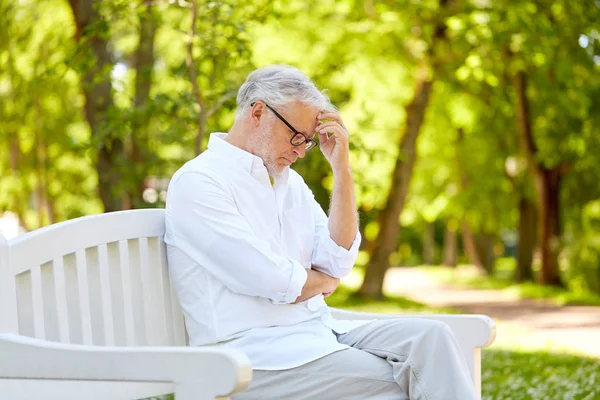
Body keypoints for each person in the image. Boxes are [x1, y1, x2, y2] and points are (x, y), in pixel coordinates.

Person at [164, 64, 476, 400]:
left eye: (308, 142)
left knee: (433, 338)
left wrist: (340, 167)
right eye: (295, 136)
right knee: (405, 381)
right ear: (258, 112)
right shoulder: (200, 182)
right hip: (251, 357)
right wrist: (323, 283)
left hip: (318, 333)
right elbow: (271, 280)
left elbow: (337, 260)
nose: (300, 150)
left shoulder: (289, 183)